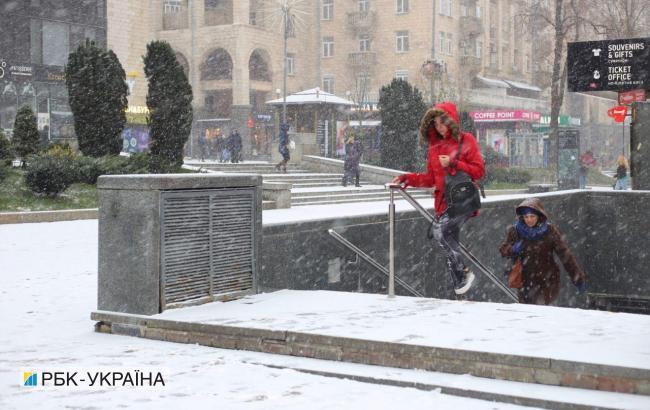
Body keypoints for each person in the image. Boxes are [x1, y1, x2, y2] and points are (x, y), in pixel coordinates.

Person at [392, 101, 485, 296]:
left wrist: (454, 162)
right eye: (435, 124)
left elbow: (479, 171)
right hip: (444, 204)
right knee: (449, 242)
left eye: (442, 123)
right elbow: (430, 179)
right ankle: (460, 287)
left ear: (451, 121)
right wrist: (407, 178)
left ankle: (464, 274)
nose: (439, 127)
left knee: (440, 231)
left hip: (463, 200)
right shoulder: (434, 148)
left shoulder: (466, 140)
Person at [499, 198, 587, 305]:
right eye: (526, 217)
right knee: (526, 310)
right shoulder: (515, 230)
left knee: (539, 309)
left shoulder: (549, 231)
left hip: (546, 280)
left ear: (539, 216)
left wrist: (578, 279)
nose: (529, 220)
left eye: (532, 216)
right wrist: (512, 249)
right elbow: (503, 250)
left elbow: (565, 255)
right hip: (524, 281)